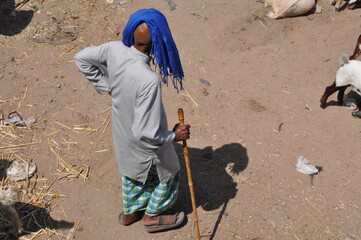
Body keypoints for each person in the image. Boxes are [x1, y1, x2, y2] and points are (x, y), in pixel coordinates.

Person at [74, 8, 190, 233]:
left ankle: (130, 213)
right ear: (159, 43)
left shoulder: (114, 49)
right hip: (141, 140)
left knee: (131, 171)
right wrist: (174, 135)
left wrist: (106, 88)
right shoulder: (148, 81)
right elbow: (146, 134)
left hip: (121, 130)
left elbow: (81, 58)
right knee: (169, 173)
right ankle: (151, 217)